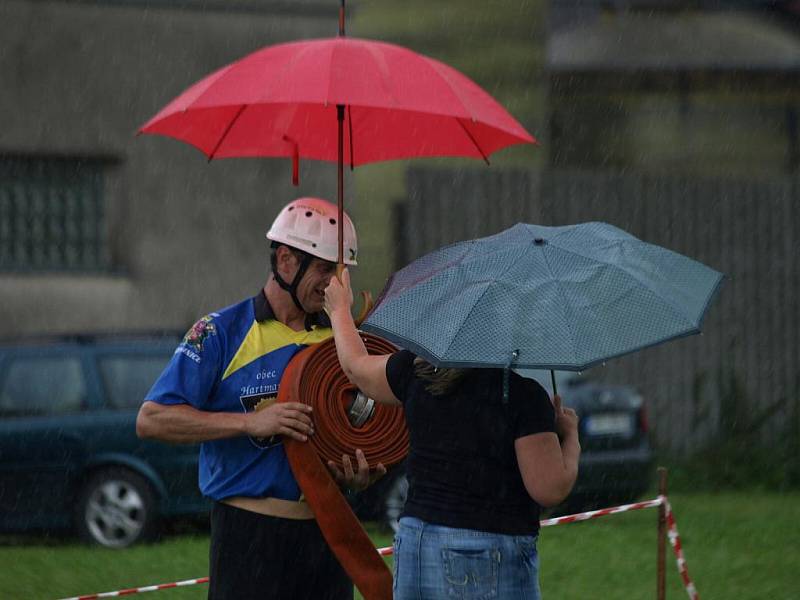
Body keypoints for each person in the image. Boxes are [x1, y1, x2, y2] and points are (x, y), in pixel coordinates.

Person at [137, 197, 383, 600]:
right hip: (247, 537)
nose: (333, 285)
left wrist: (356, 473)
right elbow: (152, 419)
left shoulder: (343, 342)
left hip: (328, 531)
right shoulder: (219, 331)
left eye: (342, 272)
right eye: (324, 269)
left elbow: (361, 426)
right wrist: (250, 422)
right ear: (285, 261)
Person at [324, 268, 581, 600]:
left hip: (415, 541)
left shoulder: (416, 372)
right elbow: (549, 488)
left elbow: (356, 368)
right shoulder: (523, 397)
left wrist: (340, 311)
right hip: (488, 551)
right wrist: (570, 437)